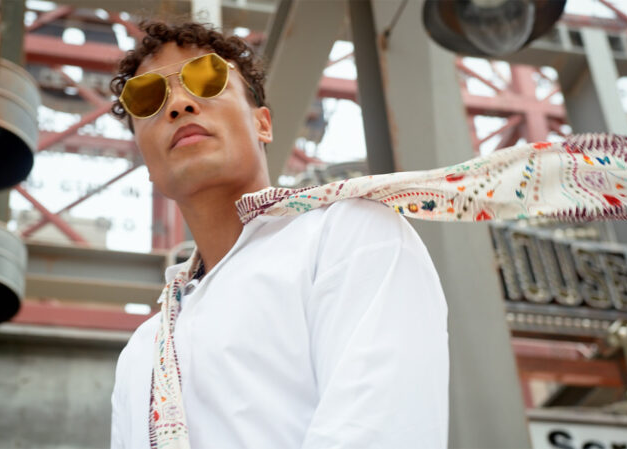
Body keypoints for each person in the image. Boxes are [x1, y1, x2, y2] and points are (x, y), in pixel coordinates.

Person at [108, 20, 449, 449]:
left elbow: (379, 432)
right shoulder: (142, 352)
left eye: (208, 79)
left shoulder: (350, 234)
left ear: (263, 125)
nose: (177, 103)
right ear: (146, 161)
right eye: (147, 98)